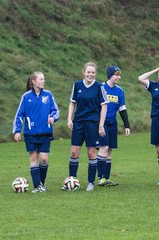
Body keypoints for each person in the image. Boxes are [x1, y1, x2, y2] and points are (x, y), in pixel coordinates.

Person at [13, 72, 59, 193]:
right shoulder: (26, 97)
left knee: (43, 159)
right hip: (30, 133)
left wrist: (53, 118)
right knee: (33, 158)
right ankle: (37, 186)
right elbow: (19, 115)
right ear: (33, 81)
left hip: (45, 132)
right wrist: (17, 131)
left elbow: (56, 111)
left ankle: (41, 183)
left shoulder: (48, 95)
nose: (43, 81)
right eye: (41, 79)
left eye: (44, 79)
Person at [66, 62, 108, 192]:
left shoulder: (99, 87)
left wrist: (101, 125)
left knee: (91, 153)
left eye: (93, 72)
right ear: (84, 72)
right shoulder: (77, 85)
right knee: (74, 152)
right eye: (88, 72)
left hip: (92, 124)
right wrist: (69, 118)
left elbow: (104, 106)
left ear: (95, 74)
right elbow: (72, 103)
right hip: (78, 123)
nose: (90, 74)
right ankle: (72, 181)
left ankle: (91, 182)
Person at [97, 66, 131, 187]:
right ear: (110, 75)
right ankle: (100, 178)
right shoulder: (100, 88)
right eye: (116, 75)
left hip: (113, 123)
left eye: (119, 75)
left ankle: (106, 178)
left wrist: (127, 125)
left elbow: (122, 109)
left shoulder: (119, 91)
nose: (118, 77)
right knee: (104, 149)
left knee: (110, 150)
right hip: (102, 123)